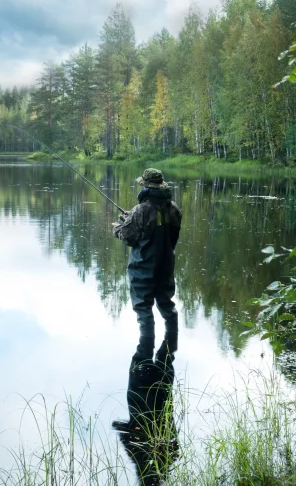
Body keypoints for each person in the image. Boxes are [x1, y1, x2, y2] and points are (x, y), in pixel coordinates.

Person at [112, 168, 182, 340]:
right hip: (165, 265)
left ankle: (145, 352)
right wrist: (131, 218)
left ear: (146, 187)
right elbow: (168, 233)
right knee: (167, 304)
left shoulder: (140, 210)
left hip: (142, 268)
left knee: (143, 309)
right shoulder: (173, 208)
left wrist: (118, 228)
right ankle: (171, 342)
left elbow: (129, 237)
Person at [113, 334, 179, 486]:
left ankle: (169, 325)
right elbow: (119, 428)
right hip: (144, 388)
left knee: (163, 353)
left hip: (160, 394)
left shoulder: (171, 456)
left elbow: (175, 448)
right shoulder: (137, 454)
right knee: (148, 347)